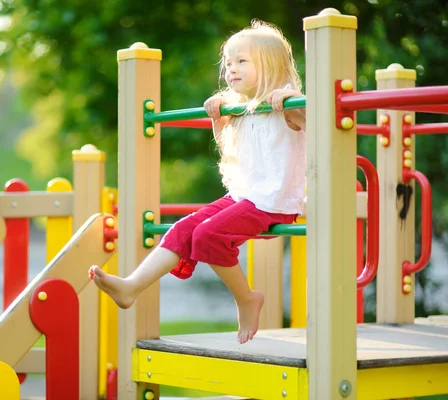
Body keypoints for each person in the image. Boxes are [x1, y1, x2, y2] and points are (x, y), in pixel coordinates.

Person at [89, 20, 306, 344]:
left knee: (207, 235)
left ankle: (246, 299)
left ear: (271, 65)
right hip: (244, 197)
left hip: (275, 201)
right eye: (228, 63)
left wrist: (294, 99)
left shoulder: (287, 105)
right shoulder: (243, 109)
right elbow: (230, 150)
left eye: (241, 61)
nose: (231, 69)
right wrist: (220, 118)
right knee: (182, 229)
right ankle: (131, 286)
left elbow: (325, 127)